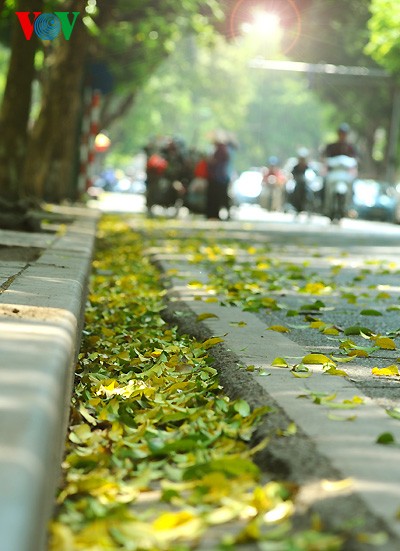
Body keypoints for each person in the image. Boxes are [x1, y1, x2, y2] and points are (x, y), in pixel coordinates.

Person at [322, 123, 358, 217]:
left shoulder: (351, 147)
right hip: (333, 173)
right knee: (323, 185)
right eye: (341, 133)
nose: (342, 135)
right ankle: (324, 206)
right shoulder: (331, 146)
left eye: (344, 133)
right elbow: (324, 158)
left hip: (345, 174)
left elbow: (355, 161)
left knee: (352, 187)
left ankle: (350, 206)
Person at [205, 140, 233, 220]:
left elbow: (215, 162)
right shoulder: (224, 151)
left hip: (218, 178)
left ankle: (215, 214)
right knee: (221, 198)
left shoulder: (220, 151)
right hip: (220, 178)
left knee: (219, 197)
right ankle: (215, 214)